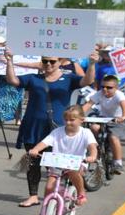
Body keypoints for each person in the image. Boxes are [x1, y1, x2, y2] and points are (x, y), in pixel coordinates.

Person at [5, 52, 83, 207]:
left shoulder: (69, 79)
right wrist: (9, 61)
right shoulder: (33, 78)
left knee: (58, 164)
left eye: (52, 61)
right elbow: (12, 80)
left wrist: (93, 64)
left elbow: (88, 81)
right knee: (33, 163)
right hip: (33, 126)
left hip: (57, 129)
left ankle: (66, 190)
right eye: (45, 61)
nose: (48, 64)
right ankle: (33, 196)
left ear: (60, 61)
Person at [26, 106, 99, 208]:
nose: (68, 122)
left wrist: (92, 156)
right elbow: (45, 142)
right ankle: (44, 211)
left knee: (73, 173)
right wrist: (36, 149)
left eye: (72, 120)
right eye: (66, 120)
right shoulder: (57, 132)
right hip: (58, 163)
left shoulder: (85, 133)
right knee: (49, 187)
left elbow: (92, 146)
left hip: (77, 163)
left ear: (82, 120)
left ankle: (81, 193)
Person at [82, 72, 125, 174]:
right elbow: (88, 105)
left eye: (109, 87)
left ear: (116, 88)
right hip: (103, 119)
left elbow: (124, 106)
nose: (105, 89)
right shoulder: (99, 93)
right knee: (93, 128)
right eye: (103, 86)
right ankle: (98, 150)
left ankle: (118, 163)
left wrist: (124, 116)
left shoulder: (119, 95)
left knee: (113, 137)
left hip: (117, 121)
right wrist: (77, 116)